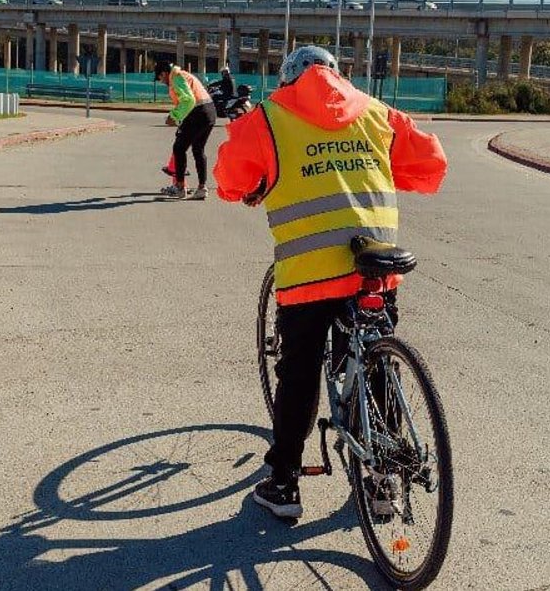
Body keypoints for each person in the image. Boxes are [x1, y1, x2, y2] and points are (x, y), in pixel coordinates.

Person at [213, 45, 448, 518]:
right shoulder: (377, 113)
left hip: (309, 273)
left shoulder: (269, 117)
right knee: (376, 363)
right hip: (375, 267)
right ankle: (385, 481)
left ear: (288, 79)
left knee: (298, 373)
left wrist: (256, 183)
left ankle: (283, 485)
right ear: (337, 74)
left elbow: (229, 179)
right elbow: (430, 165)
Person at [155, 60, 217, 200]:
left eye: (159, 77)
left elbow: (188, 100)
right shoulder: (183, 74)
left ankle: (180, 187)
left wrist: (174, 116)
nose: (160, 81)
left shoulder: (176, 77)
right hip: (209, 112)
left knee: (179, 148)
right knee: (198, 150)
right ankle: (202, 188)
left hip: (198, 112)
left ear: (164, 73)